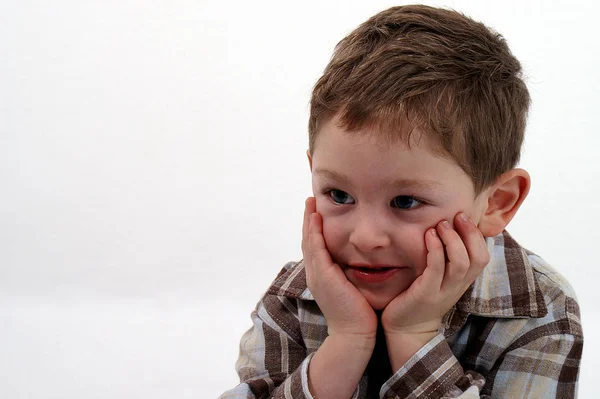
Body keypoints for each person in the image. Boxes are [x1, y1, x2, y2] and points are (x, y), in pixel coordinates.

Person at [219, 5, 583, 398]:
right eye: (339, 195)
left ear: (496, 203)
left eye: (406, 201)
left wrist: (414, 335)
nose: (366, 237)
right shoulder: (292, 299)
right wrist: (347, 340)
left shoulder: (540, 311)